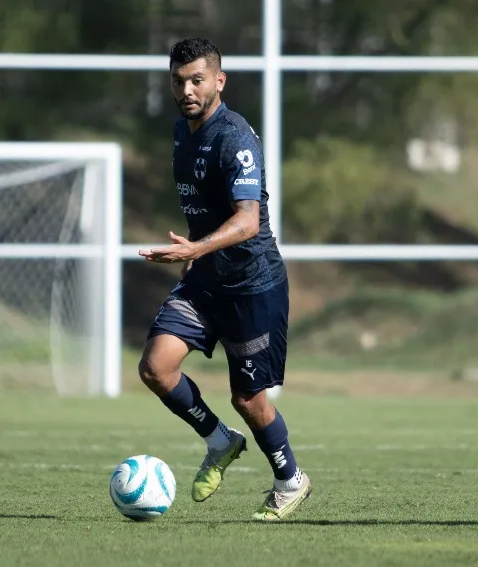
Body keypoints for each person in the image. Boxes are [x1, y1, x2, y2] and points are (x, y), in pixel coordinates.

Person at [137, 37, 310, 522]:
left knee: (247, 398)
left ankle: (290, 479)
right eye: (178, 81)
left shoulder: (235, 137)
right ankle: (219, 441)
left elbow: (248, 220)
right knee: (156, 368)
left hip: (253, 284)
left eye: (196, 79)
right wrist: (196, 253)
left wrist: (194, 248)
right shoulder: (181, 131)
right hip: (206, 278)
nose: (187, 89)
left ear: (219, 81)